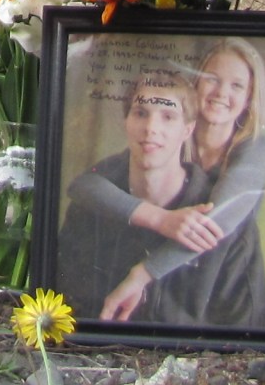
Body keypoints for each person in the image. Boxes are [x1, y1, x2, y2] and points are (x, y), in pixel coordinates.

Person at [72, 40, 265, 328]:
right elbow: (85, 185)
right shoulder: (166, 135)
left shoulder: (253, 149)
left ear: (250, 97)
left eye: (237, 86)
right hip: (160, 284)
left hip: (217, 276)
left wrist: (142, 274)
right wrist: (159, 218)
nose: (221, 93)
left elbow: (213, 225)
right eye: (212, 79)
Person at [53, 72, 206, 321]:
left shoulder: (214, 209)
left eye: (168, 116)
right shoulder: (87, 205)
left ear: (187, 129)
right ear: (126, 120)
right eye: (141, 113)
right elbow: (66, 295)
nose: (151, 129)